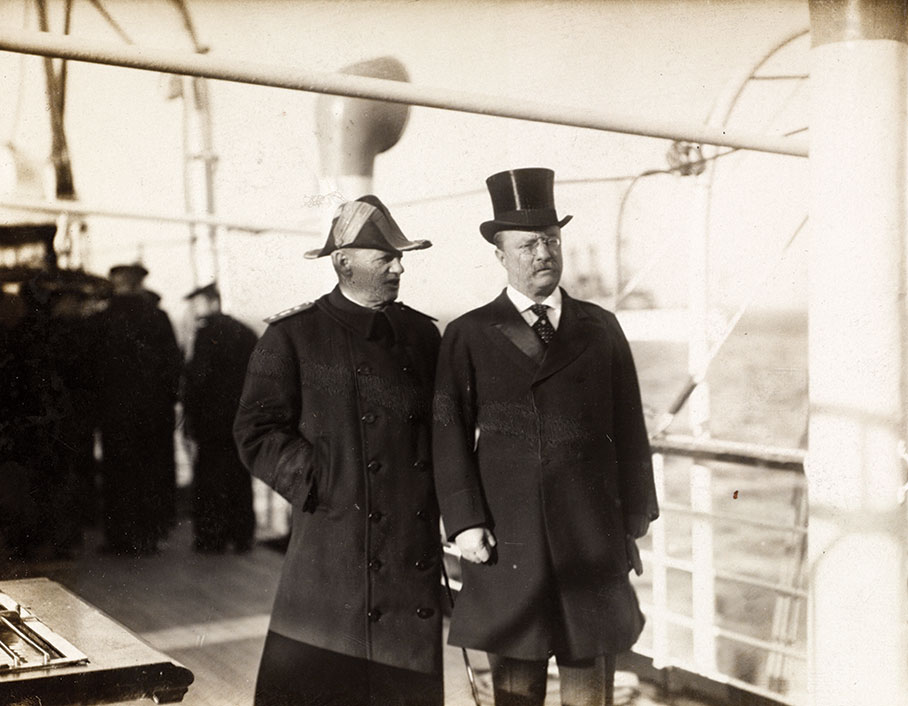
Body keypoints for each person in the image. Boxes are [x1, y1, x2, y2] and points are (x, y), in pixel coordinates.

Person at [432, 167, 659, 706]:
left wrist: (633, 517)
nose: (543, 254)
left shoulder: (600, 327)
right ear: (500, 254)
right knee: (516, 690)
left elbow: (630, 428)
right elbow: (448, 435)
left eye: (552, 241)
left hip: (591, 538)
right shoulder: (469, 333)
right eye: (529, 244)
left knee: (588, 690)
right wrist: (464, 523)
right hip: (509, 540)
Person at [233, 195, 443, 706]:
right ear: (343, 262)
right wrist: (321, 479)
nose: (397, 267)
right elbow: (256, 430)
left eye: (401, 258)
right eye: (385, 258)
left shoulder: (420, 334)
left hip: (408, 552)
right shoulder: (293, 335)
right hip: (334, 545)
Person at [94, 263, 182, 555]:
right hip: (154, 414)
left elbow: (92, 370)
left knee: (118, 472)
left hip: (115, 414)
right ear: (139, 284)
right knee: (151, 472)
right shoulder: (158, 318)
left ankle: (120, 537)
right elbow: (173, 366)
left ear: (116, 284)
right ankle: (148, 536)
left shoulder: (102, 320)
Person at [181, 282, 258, 553]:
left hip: (211, 422)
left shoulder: (206, 334)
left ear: (211, 302)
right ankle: (242, 536)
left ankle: (211, 538)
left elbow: (197, 379)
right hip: (240, 419)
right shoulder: (245, 332)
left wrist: (189, 414)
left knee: (210, 479)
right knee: (239, 476)